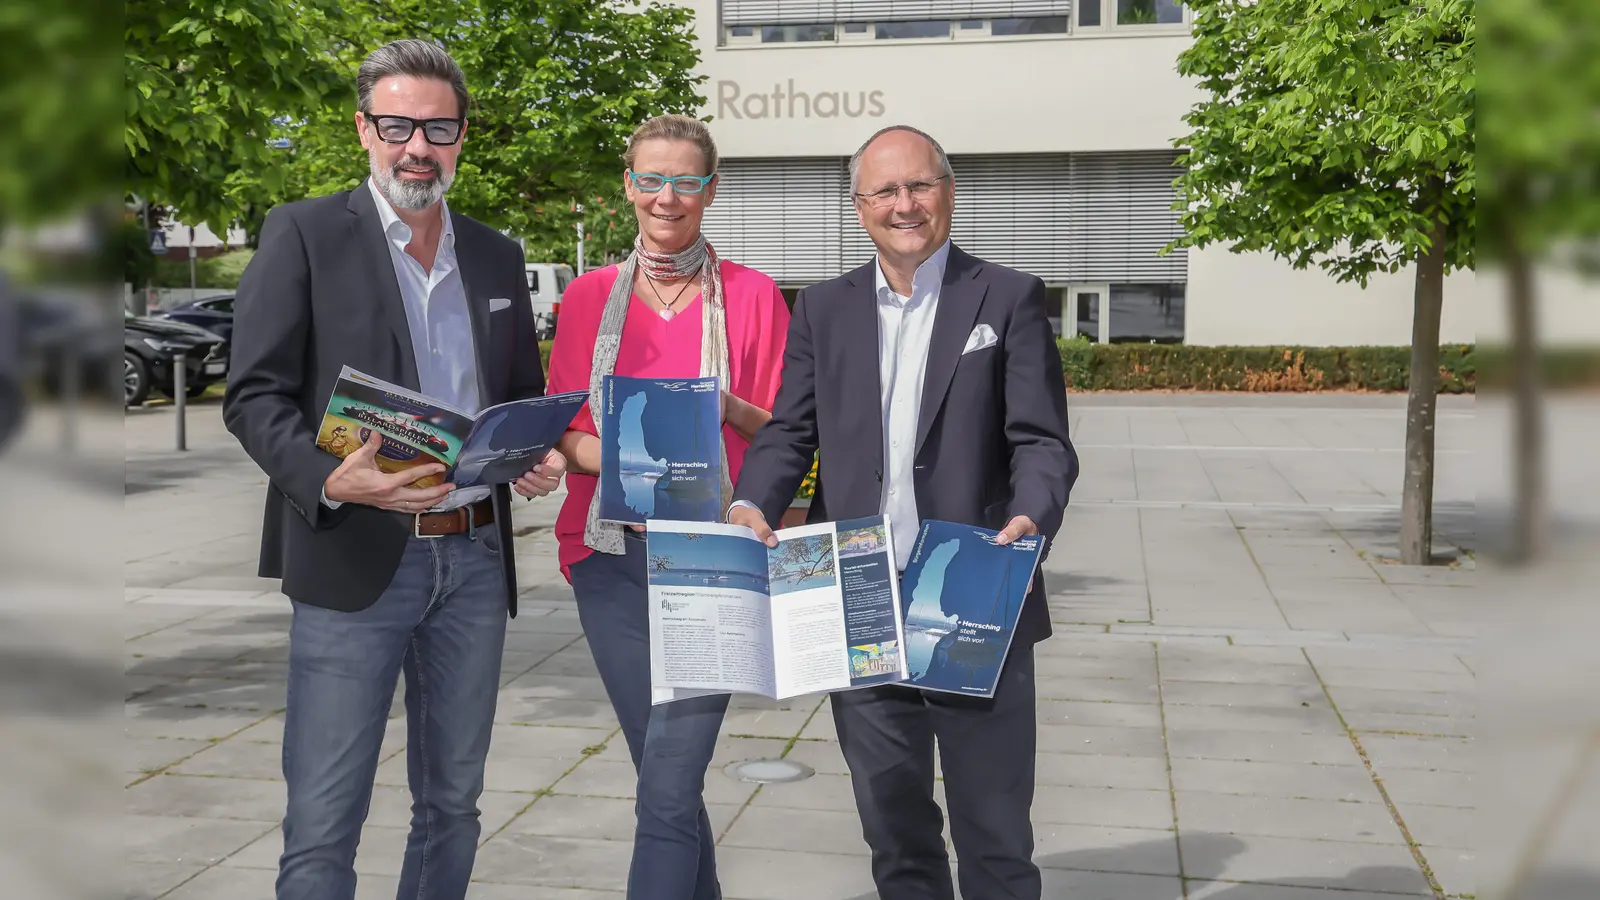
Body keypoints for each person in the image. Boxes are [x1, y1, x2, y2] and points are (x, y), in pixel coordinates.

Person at [221, 39, 565, 900]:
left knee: (453, 804)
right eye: (399, 124)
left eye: (438, 127)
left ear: (459, 137)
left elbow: (518, 390)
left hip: (476, 561)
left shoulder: (493, 253)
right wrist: (329, 479)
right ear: (364, 128)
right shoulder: (302, 233)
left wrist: (531, 455)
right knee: (325, 818)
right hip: (353, 559)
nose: (418, 145)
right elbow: (253, 395)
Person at [727, 124, 1079, 900]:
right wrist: (754, 501)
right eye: (885, 190)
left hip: (973, 594)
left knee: (994, 833)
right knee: (895, 830)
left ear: (948, 193)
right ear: (859, 209)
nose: (905, 204)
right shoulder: (822, 307)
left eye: (920, 185)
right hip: (856, 600)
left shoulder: (1008, 295)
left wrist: (1032, 520)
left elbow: (1043, 442)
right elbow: (790, 428)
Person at [544, 113, 790, 900]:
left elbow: (789, 436)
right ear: (629, 186)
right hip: (609, 560)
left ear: (711, 191)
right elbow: (564, 433)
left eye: (686, 180)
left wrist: (723, 408)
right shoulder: (586, 298)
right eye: (652, 178)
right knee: (666, 781)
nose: (667, 196)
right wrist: (637, 464)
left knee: (669, 782)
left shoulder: (754, 298)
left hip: (713, 565)